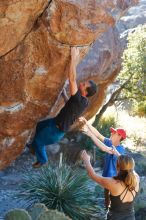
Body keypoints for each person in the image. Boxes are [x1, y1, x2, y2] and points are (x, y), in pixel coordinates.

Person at [27, 47, 97, 168]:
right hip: (55, 122)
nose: (81, 83)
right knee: (39, 125)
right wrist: (64, 94)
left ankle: (42, 160)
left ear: (85, 92)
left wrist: (73, 58)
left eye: (84, 85)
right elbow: (71, 106)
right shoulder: (83, 101)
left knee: (39, 142)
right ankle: (35, 148)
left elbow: (72, 79)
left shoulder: (79, 99)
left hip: (56, 130)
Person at [79, 117, 126, 209]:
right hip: (107, 175)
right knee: (106, 193)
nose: (111, 133)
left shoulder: (120, 149)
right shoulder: (110, 142)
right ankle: (107, 209)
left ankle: (111, 210)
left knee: (113, 197)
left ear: (119, 136)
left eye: (114, 133)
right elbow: (98, 135)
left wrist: (90, 135)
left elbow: (104, 148)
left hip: (114, 179)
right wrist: (87, 123)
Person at [81, 150, 139, 220]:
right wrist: (117, 154)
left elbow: (92, 175)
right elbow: (129, 168)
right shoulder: (136, 178)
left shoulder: (113, 183)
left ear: (117, 166)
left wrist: (86, 160)